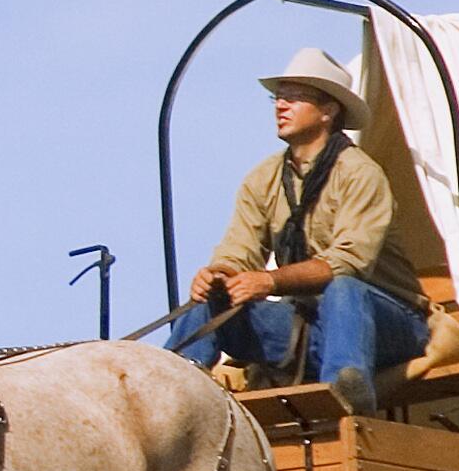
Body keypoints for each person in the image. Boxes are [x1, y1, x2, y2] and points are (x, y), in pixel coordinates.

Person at [163, 42, 425, 413]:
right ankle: (170, 386)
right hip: (307, 324)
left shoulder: (360, 174)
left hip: (384, 325)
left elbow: (347, 262)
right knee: (213, 295)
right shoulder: (264, 178)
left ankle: (343, 394)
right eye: (277, 98)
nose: (280, 106)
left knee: (344, 289)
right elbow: (238, 250)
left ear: (328, 111)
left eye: (294, 98)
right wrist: (218, 275)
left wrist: (269, 281)